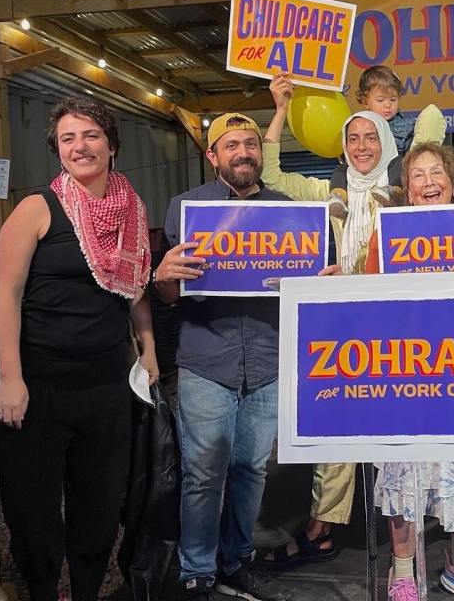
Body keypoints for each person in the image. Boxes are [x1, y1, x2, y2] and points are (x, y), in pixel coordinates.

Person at [0, 98, 157, 601]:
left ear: (111, 145)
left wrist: (147, 350)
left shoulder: (132, 209)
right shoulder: (35, 209)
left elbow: (135, 288)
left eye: (89, 135)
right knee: (34, 512)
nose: (80, 146)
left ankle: (86, 590)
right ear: (56, 150)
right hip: (39, 387)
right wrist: (11, 377)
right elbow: (6, 297)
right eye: (68, 138)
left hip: (106, 387)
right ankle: (43, 590)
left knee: (101, 507)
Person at [260, 74, 404, 570]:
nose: (361, 146)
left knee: (396, 432)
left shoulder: (409, 194)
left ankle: (402, 540)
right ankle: (322, 526)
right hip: (344, 327)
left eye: (369, 137)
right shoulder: (331, 193)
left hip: (398, 330)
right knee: (337, 427)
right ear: (342, 147)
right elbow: (273, 175)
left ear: (385, 140)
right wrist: (280, 109)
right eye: (352, 138)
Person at [359, 142, 454, 601]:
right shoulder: (384, 236)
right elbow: (368, 300)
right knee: (403, 473)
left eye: (436, 173)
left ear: (452, 183)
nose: (428, 182)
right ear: (407, 190)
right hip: (405, 373)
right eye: (417, 176)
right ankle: (403, 571)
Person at [152, 112, 289, 601]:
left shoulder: (288, 211)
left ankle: (236, 560)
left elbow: (302, 288)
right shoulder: (185, 209)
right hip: (206, 360)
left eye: (250, 143)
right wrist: (162, 274)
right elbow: (169, 296)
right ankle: (197, 571)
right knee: (203, 471)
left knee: (252, 470)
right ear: (213, 156)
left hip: (269, 362)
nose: (243, 152)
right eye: (231, 145)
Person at [327, 66, 445, 218]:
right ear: (365, 101)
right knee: (341, 169)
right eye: (381, 100)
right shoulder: (359, 123)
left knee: (398, 162)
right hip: (368, 175)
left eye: (393, 99)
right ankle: (338, 197)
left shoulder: (406, 125)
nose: (388, 105)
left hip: (394, 172)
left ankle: (394, 192)